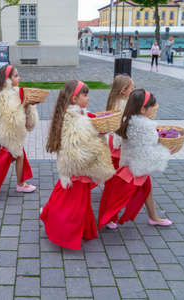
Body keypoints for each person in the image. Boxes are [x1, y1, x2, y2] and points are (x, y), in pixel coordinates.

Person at [39, 80, 115, 250]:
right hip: (77, 167)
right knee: (74, 205)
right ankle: (64, 233)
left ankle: (76, 226)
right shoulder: (75, 120)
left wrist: (96, 130)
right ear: (74, 99)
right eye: (85, 95)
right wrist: (98, 136)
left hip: (77, 167)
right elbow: (80, 145)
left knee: (75, 200)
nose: (88, 98)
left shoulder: (79, 115)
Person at [98, 89, 176, 231]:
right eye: (151, 106)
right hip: (134, 170)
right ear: (142, 109)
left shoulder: (129, 120)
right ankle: (105, 219)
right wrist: (166, 153)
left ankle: (153, 217)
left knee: (145, 190)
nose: (153, 108)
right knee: (118, 197)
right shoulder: (144, 126)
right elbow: (147, 153)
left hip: (132, 165)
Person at [0, 65, 38, 196]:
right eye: (15, 75)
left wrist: (29, 106)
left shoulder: (14, 92)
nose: (19, 77)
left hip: (13, 134)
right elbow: (11, 117)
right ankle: (19, 185)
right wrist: (24, 105)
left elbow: (20, 111)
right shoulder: (4, 95)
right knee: (14, 156)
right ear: (8, 79)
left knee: (12, 157)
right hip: (9, 134)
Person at [105, 74, 135, 169]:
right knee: (119, 166)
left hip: (112, 138)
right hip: (119, 141)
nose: (133, 91)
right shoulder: (123, 105)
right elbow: (120, 125)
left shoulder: (114, 101)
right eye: (131, 89)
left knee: (114, 167)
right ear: (123, 90)